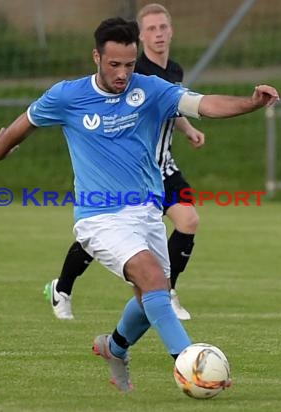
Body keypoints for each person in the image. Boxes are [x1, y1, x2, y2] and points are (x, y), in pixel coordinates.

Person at [0, 17, 279, 392]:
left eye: (129, 64)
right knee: (155, 280)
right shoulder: (67, 96)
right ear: (96, 57)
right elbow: (25, 123)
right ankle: (190, 361)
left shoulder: (151, 89)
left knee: (148, 298)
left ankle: (114, 347)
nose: (123, 73)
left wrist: (251, 103)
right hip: (100, 217)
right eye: (114, 65)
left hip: (146, 213)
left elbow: (203, 104)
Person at [44, 3, 204, 321]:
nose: (158, 34)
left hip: (163, 166)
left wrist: (187, 128)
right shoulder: (133, 72)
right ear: (141, 36)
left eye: (163, 27)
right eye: (151, 29)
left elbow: (170, 106)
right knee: (99, 238)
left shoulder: (174, 70)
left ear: (171, 31)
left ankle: (166, 291)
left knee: (189, 221)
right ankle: (61, 288)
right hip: (130, 173)